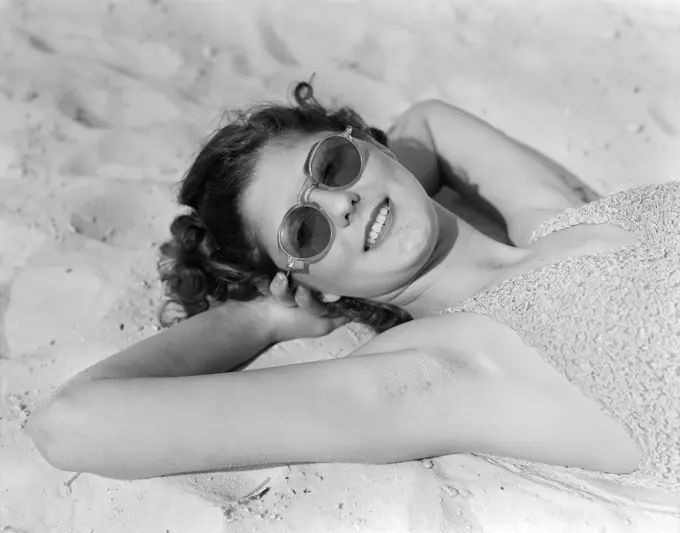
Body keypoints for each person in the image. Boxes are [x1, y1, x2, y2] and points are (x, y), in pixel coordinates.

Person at [25, 82, 679, 505]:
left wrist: (375, 188)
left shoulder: (554, 215)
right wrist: (266, 315)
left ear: (369, 143)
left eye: (333, 166)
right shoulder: (446, 369)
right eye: (305, 231)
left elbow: (430, 119)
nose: (342, 205)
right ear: (299, 278)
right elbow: (71, 422)